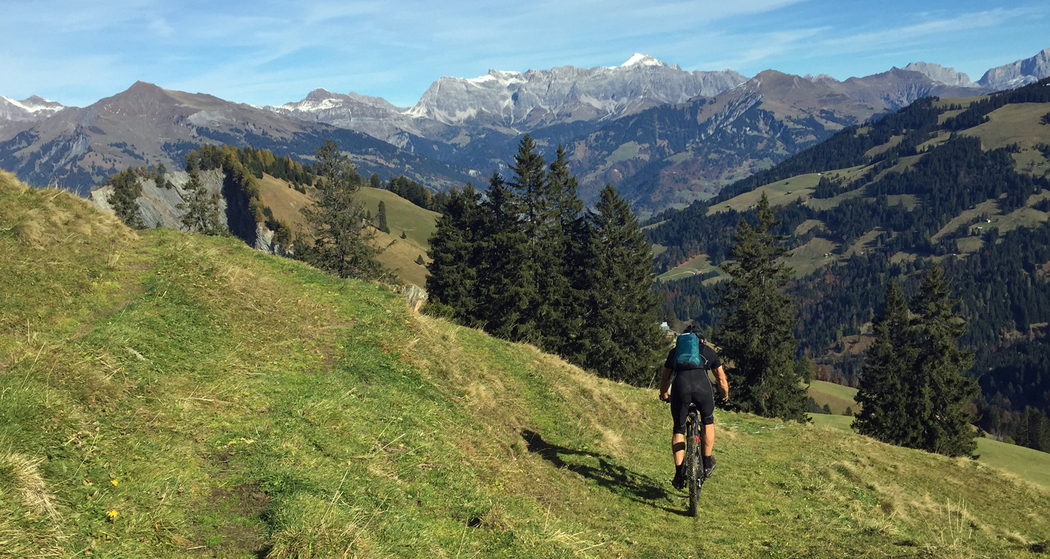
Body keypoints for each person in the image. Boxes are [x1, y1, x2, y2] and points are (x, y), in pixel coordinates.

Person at [659, 325, 729, 489]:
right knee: (707, 420)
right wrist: (725, 396)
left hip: (680, 387)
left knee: (678, 429)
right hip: (702, 387)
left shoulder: (675, 352)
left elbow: (665, 378)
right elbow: (721, 379)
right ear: (701, 339)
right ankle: (706, 462)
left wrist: (664, 394)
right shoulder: (708, 351)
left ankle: (678, 473)